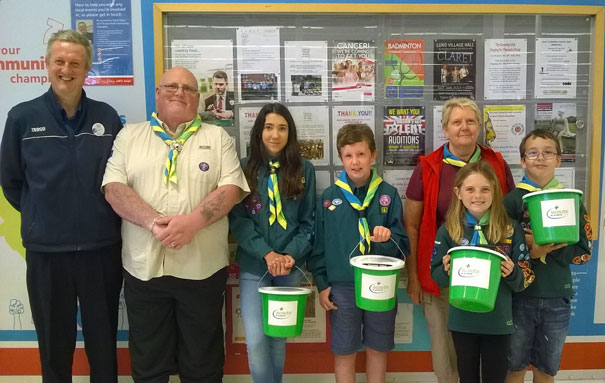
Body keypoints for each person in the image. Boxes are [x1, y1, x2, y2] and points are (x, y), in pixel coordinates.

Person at [102, 66, 249, 383]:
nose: (179, 92)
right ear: (157, 92)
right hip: (145, 269)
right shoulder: (129, 136)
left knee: (203, 365)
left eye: (188, 88)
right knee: (149, 364)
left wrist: (192, 223)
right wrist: (154, 223)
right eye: (171, 86)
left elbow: (231, 189)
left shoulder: (217, 137)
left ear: (198, 98)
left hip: (201, 270)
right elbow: (114, 188)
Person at [0, 30, 123, 382]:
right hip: (47, 253)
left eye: (75, 63)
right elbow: (11, 181)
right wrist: (42, 215)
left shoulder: (107, 117)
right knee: (54, 347)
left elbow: (118, 178)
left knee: (103, 344)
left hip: (101, 251)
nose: (66, 69)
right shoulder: (21, 118)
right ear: (47, 64)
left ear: (87, 70)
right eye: (59, 61)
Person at [404, 97, 516, 383]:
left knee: (490, 359)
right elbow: (412, 225)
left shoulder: (497, 164)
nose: (464, 127)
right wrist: (414, 276)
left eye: (470, 121)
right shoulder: (428, 166)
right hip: (444, 276)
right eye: (456, 122)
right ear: (445, 128)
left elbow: (512, 216)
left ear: (479, 126)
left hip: (491, 282)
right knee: (447, 356)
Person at [307, 124, 409, 383]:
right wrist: (322, 283)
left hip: (381, 283)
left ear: (373, 155)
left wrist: (387, 239)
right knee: (344, 348)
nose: (355, 162)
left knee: (378, 346)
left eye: (361, 154)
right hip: (342, 285)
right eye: (349, 155)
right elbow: (318, 245)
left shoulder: (388, 195)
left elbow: (402, 246)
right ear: (341, 158)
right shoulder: (329, 198)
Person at [229, 103, 316, 383]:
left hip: (290, 268)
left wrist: (290, 255)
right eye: (268, 127)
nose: (275, 135)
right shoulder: (244, 169)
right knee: (255, 340)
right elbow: (238, 219)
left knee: (278, 339)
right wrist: (266, 253)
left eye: (282, 128)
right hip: (256, 265)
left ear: (290, 133)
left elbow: (309, 221)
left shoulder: (305, 169)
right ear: (259, 132)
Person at [431, 161, 533, 383]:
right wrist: (446, 270)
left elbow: (525, 278)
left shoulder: (510, 227)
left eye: (485, 189)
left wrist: (513, 273)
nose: (478, 195)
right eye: (470, 189)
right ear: (458, 193)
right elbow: (435, 275)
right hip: (462, 320)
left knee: (495, 378)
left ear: (494, 192)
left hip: (498, 322)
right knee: (467, 377)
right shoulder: (449, 229)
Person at [504, 129, 592, 383]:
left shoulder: (572, 201)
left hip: (557, 297)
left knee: (546, 369)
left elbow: (584, 253)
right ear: (522, 161)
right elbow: (500, 249)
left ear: (559, 159)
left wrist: (552, 246)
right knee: (514, 367)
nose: (540, 158)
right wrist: (528, 248)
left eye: (548, 152)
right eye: (532, 153)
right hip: (518, 298)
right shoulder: (511, 202)